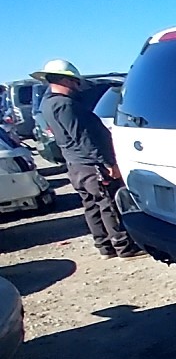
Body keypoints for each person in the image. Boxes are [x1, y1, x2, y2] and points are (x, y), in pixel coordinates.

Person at [31, 59, 143, 259]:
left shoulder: (48, 104)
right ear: (64, 80)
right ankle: (123, 247)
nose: (77, 86)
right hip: (90, 164)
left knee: (92, 205)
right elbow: (83, 137)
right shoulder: (65, 105)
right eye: (74, 82)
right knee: (106, 203)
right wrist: (107, 163)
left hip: (76, 164)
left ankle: (104, 245)